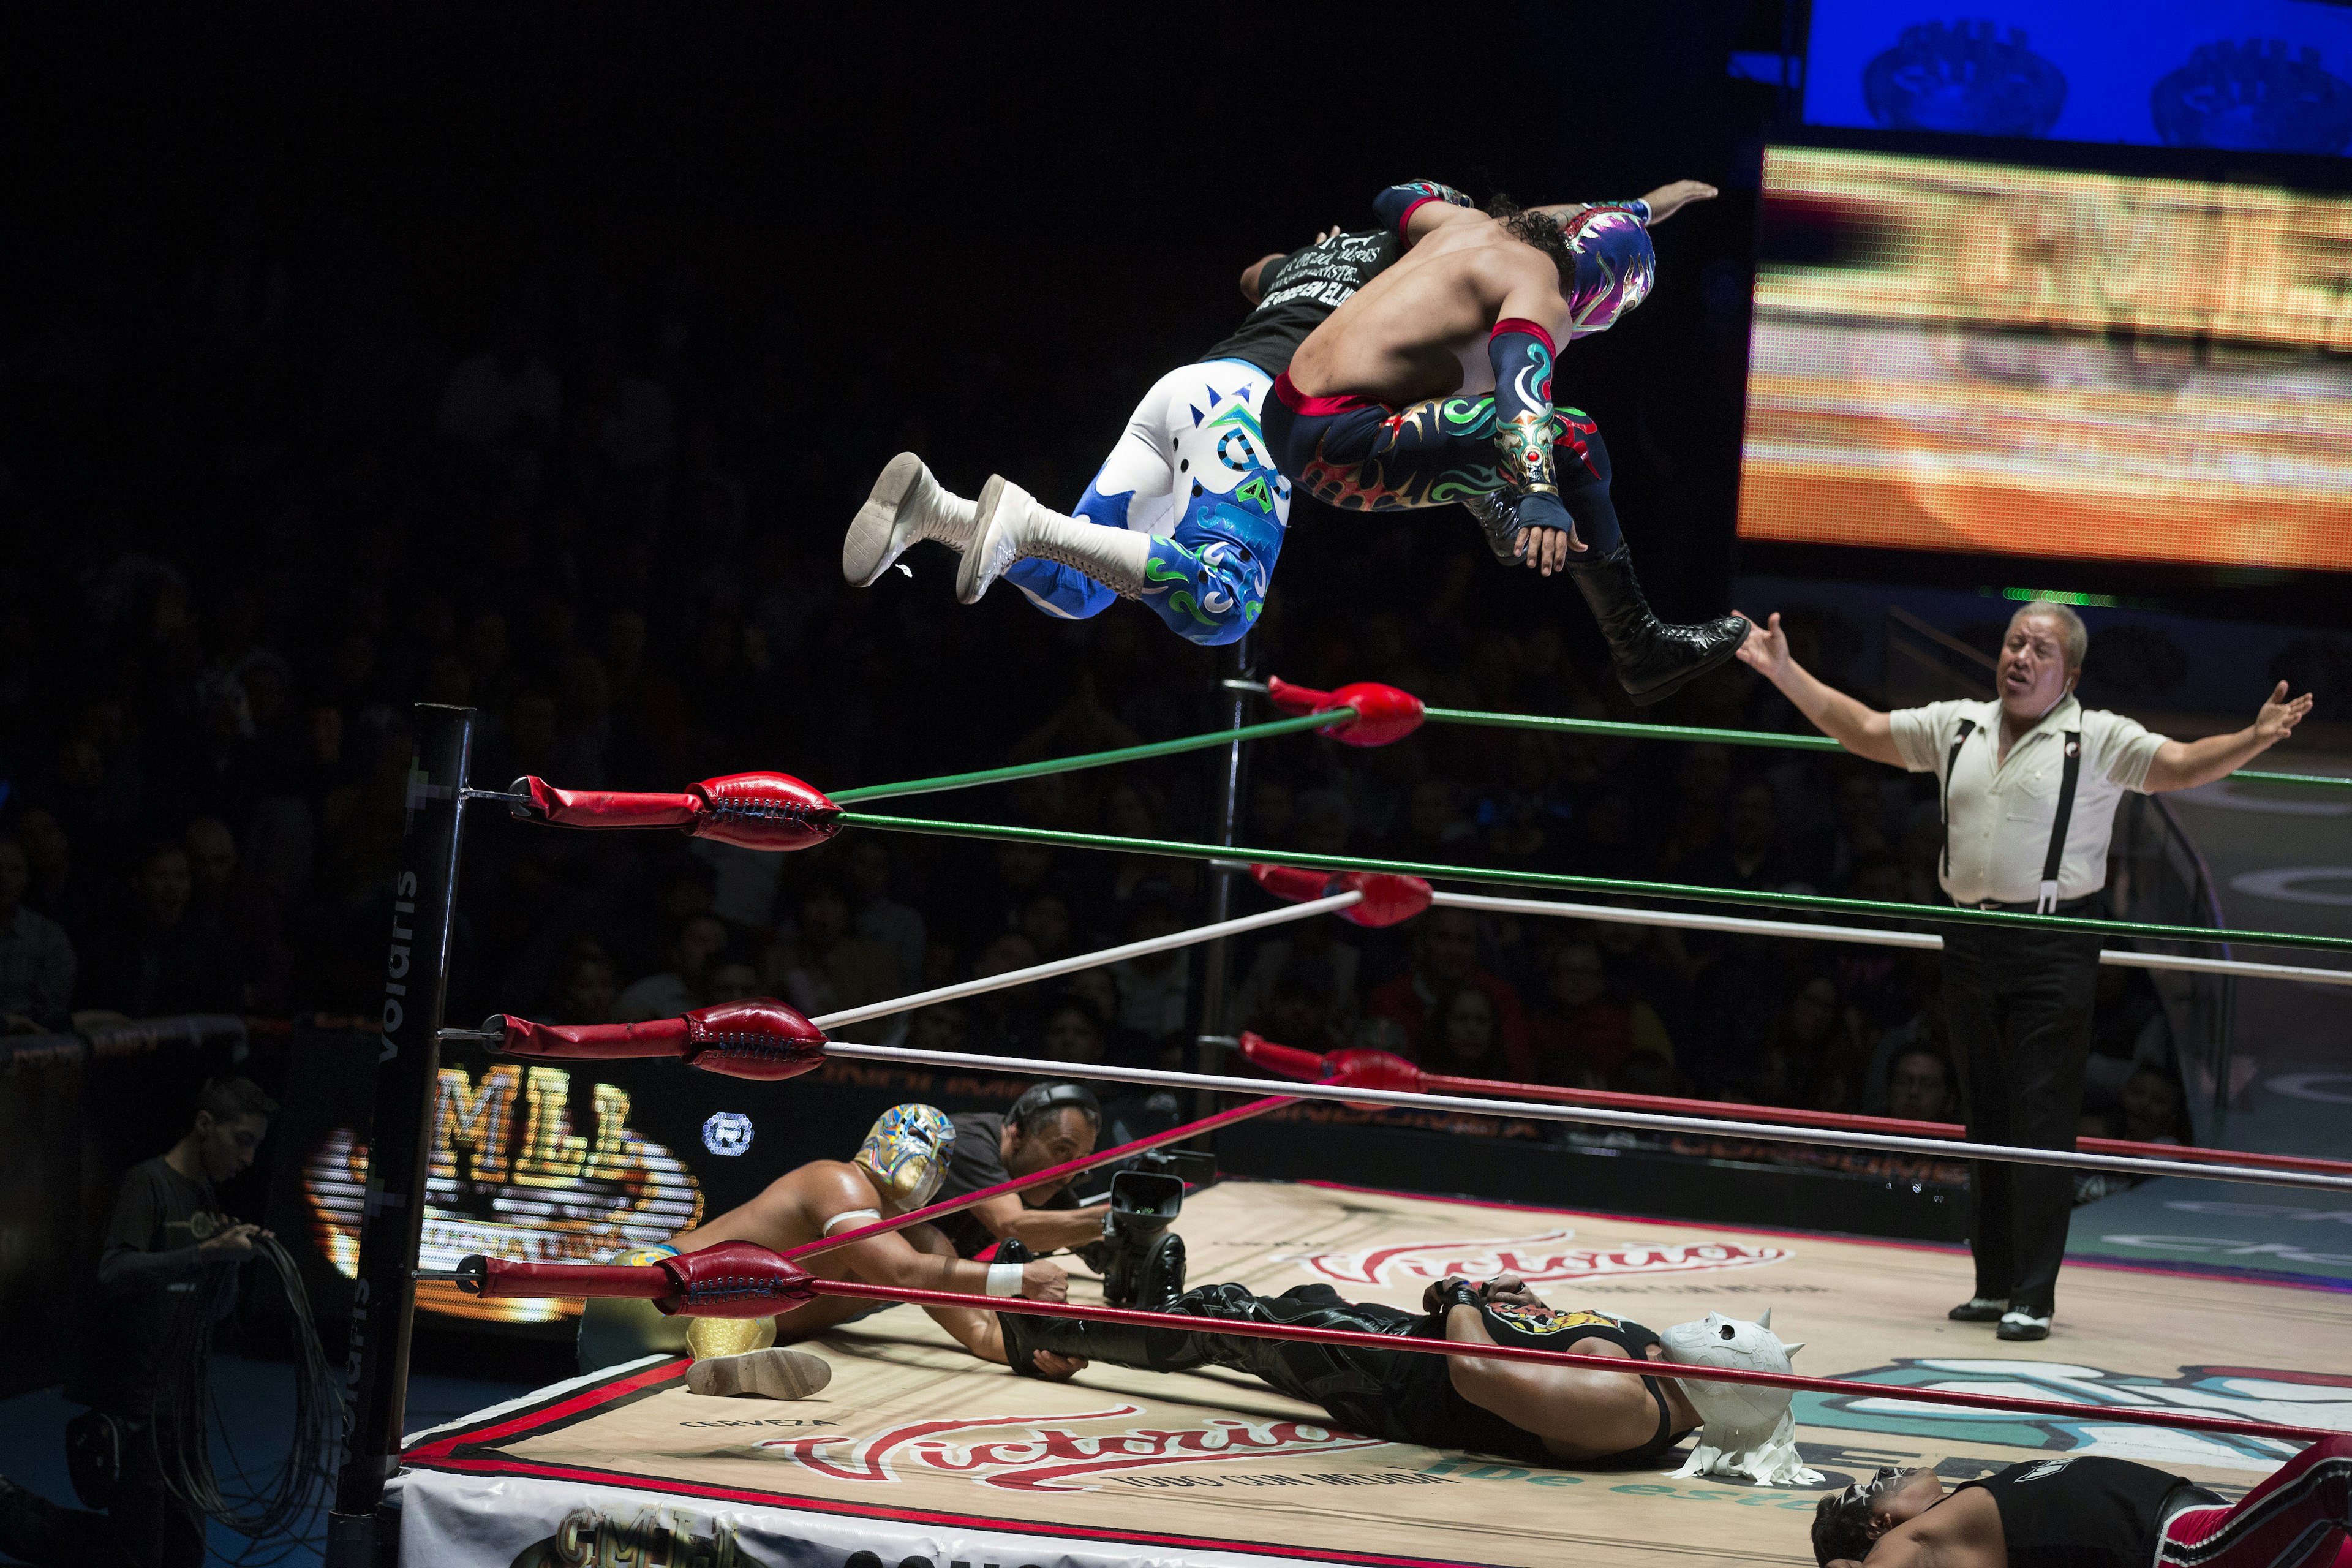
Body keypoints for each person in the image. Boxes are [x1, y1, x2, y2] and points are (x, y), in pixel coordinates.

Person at [1735, 597, 2316, 1341]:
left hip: (2053, 942)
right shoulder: (1958, 724)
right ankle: (1992, 1283)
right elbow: (1867, 731)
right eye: (2014, 642)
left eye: (2040, 649)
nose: (2021, 657)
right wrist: (1785, 671)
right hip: (1970, 934)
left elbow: (2178, 765)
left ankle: (2033, 1295)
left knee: (2041, 1117)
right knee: (1985, 1112)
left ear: (2069, 674)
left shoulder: (2098, 738)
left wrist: (2253, 739)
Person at [1264, 180, 1750, 704]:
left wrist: (1637, 209)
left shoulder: (1465, 226)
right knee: (1574, 440)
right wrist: (1540, 488)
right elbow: (1522, 384)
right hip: (1334, 450)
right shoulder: (1544, 293)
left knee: (1462, 384)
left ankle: (1493, 504)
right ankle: (1640, 647)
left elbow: (1393, 197)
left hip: (1284, 408)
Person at [998, 1274, 1805, 1475]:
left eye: (1728, 1335)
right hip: (1408, 1350)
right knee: (1271, 1310)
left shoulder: (1627, 1406)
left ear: (1725, 1381)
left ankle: (1051, 1333)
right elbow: (1547, 1341)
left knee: (1234, 1325)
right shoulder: (1655, 1375)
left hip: (1399, 1379)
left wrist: (1460, 1299)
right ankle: (1105, 1322)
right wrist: (1512, 1301)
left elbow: (1477, 1377)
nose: (1713, 1323)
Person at [575, 1103, 1077, 1398]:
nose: (923, 1158)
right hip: (652, 1285)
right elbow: (902, 1273)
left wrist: (1044, 1350)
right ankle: (731, 1366)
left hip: (705, 1325)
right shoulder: (838, 1182)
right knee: (769, 1302)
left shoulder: (924, 1240)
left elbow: (982, 1332)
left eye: (938, 1151)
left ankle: (733, 1362)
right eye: (918, 1138)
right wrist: (1018, 1280)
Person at [72, 1076, 279, 1568]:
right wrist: (203, 1252)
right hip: (137, 1410)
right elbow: (113, 1270)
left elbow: (217, 1310)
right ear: (205, 1126)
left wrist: (227, 1261)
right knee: (139, 1550)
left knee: (185, 1550)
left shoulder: (205, 1194)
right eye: (242, 1142)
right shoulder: (148, 1183)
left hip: (184, 1413)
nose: (247, 1160)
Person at [1811, 1442, 2352, 1567]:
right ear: (1882, 1523)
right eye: (1877, 1482)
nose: (1889, 1470)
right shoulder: (1918, 1540)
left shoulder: (1968, 1509)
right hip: (2194, 1553)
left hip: (2213, 1529)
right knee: (2334, 1469)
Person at [930, 1082, 1110, 1259]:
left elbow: (1084, 1235)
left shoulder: (1044, 1181)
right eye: (1062, 1150)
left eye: (1081, 1159)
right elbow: (1012, 1226)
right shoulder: (967, 1142)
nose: (1068, 1174)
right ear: (1018, 1134)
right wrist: (1111, 1218)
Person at [0, 831, 77, 1033]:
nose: (3, 879)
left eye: (14, 870)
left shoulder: (49, 938)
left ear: (26, 876)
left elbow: (51, 1014)